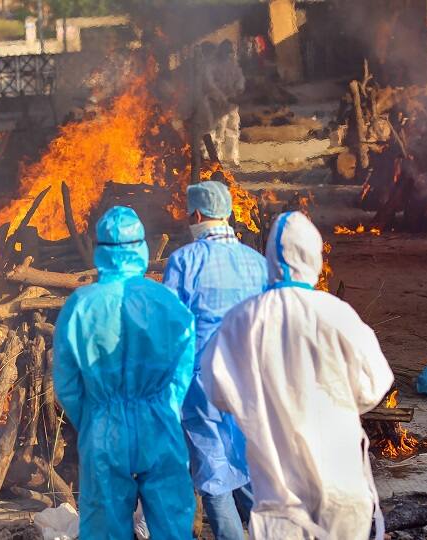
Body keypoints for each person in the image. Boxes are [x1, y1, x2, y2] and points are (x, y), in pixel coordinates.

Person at [200, 211, 394, 540]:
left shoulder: (243, 319)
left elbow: (218, 391)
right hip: (341, 483)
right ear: (315, 257)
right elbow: (373, 386)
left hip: (279, 493)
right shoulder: (337, 313)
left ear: (270, 259)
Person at [53, 206, 196, 539]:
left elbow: (67, 382)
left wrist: (93, 418)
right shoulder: (167, 301)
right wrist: (166, 407)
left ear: (99, 249)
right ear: (142, 247)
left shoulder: (80, 304)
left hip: (104, 428)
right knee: (171, 524)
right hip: (159, 424)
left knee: (104, 527)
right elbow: (183, 367)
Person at [164, 181, 267, 540]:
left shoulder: (184, 261)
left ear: (196, 215)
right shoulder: (258, 263)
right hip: (249, 381)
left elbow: (171, 327)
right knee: (249, 464)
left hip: (201, 384)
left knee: (213, 473)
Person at [212, 40, 245, 167]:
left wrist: (237, 92)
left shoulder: (234, 67)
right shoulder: (214, 67)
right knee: (218, 132)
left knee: (232, 130)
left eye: (230, 52)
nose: (229, 54)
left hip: (231, 103)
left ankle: (231, 158)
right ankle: (216, 159)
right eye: (227, 52)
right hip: (219, 103)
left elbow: (240, 82)